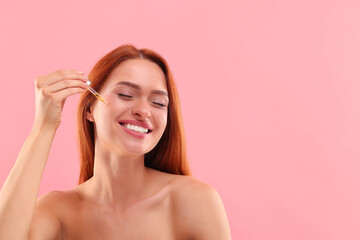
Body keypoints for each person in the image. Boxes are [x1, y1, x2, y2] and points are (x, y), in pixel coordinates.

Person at [0, 44, 231, 239]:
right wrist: (43, 127)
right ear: (90, 108)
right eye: (126, 95)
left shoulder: (194, 201)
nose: (143, 110)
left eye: (158, 103)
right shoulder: (57, 211)